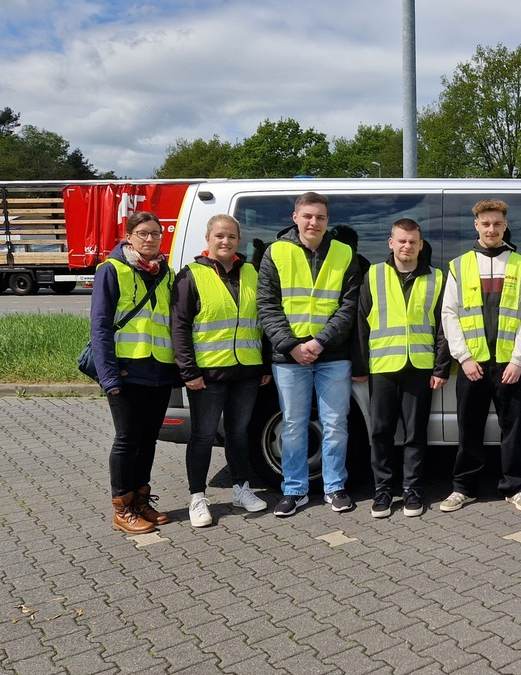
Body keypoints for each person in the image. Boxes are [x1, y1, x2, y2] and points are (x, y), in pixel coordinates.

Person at [256, 192, 363, 517]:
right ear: (295, 217)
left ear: (327, 220)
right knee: (293, 425)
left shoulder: (345, 253)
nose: (313, 222)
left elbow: (349, 306)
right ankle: (294, 491)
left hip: (333, 354)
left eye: (320, 217)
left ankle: (334, 487)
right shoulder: (276, 253)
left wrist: (318, 343)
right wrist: (292, 345)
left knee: (335, 425)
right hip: (290, 357)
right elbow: (267, 305)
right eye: (308, 216)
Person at [170, 214, 272, 528]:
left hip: (246, 372)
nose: (225, 241)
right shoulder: (192, 275)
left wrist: (265, 364)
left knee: (239, 433)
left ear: (238, 240)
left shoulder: (252, 272)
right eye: (219, 236)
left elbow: (265, 321)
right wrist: (189, 371)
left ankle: (242, 489)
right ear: (209, 239)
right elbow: (179, 326)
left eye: (230, 236)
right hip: (207, 373)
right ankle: (198, 498)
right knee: (201, 436)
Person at [439, 198, 521, 513]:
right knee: (469, 429)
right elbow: (449, 315)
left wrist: (518, 359)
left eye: (497, 223)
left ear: (505, 225)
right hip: (473, 365)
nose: (492, 229)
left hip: (509, 365)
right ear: (477, 225)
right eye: (486, 224)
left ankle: (515, 487)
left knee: (513, 429)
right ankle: (464, 488)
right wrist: (464, 357)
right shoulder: (459, 265)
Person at [355, 218, 450, 518]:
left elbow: (444, 327)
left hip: (420, 367)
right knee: (381, 432)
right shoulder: (373, 275)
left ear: (420, 245)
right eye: (401, 240)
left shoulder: (436, 277)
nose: (407, 246)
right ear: (391, 243)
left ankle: (413, 491)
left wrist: (441, 368)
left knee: (415, 434)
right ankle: (382, 490)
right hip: (382, 366)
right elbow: (360, 322)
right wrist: (359, 364)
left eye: (412, 241)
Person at [90, 211, 179, 534]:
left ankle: (142, 498)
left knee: (148, 439)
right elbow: (99, 327)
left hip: (158, 369)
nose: (150, 239)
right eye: (142, 233)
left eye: (155, 233)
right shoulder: (112, 270)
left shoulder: (166, 273)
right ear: (128, 236)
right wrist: (109, 376)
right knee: (127, 440)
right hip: (126, 371)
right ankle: (122, 507)